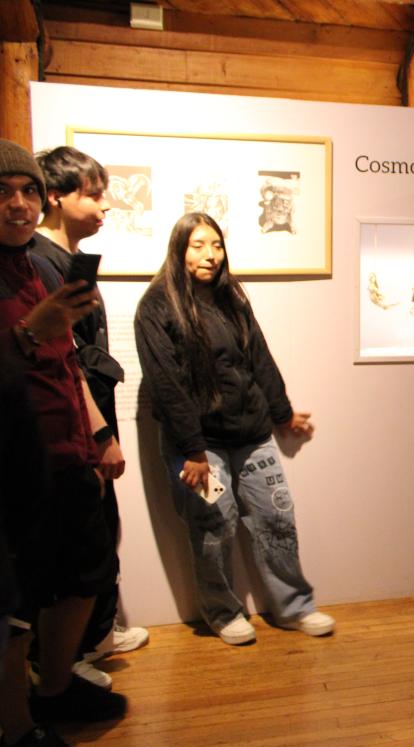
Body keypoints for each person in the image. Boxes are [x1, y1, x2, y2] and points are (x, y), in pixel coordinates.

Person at [134, 212, 334, 646]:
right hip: (198, 445)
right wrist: (191, 450)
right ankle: (222, 613)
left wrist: (282, 413)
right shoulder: (156, 306)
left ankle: (294, 606)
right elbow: (166, 384)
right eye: (198, 245)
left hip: (252, 432)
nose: (210, 255)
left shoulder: (231, 298)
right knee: (212, 526)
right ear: (179, 250)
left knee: (277, 518)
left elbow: (258, 356)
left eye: (217, 245)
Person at [1, 138, 127, 747]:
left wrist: (98, 434)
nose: (19, 204)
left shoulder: (32, 264)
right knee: (16, 603)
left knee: (86, 572)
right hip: (15, 463)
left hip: (68, 449)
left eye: (27, 191)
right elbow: (30, 346)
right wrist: (29, 333)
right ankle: (20, 728)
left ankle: (52, 689)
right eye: (4, 193)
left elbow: (69, 361)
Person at [32, 146, 148, 690]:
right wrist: (100, 433)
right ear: (56, 195)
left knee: (102, 526)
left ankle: (95, 637)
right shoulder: (39, 260)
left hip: (90, 412)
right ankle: (67, 657)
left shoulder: (61, 258)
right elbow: (64, 357)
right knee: (80, 537)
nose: (105, 205)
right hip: (72, 425)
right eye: (92, 194)